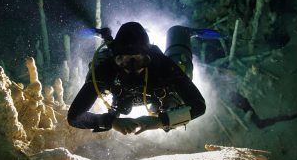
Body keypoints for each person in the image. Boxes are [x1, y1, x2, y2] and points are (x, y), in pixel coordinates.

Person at [67, 22, 206, 135]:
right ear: (116, 59)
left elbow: (198, 105)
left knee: (182, 67)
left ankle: (181, 32)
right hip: (121, 98)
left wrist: (162, 121)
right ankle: (106, 35)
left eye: (139, 60)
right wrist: (111, 122)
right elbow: (74, 116)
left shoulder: (161, 64)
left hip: (158, 97)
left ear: (148, 58)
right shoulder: (106, 69)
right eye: (125, 60)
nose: (132, 67)